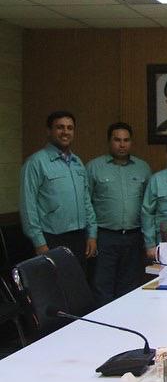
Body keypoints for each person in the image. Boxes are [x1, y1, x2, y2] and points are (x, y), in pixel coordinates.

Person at [20, 111, 97, 272]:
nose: (65, 132)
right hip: (51, 239)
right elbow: (28, 206)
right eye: (60, 127)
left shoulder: (77, 162)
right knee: (55, 285)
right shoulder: (36, 163)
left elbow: (86, 201)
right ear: (49, 131)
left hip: (79, 238)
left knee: (78, 283)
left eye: (70, 128)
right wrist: (39, 243)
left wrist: (92, 234)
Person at [86, 122, 151, 305]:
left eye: (126, 140)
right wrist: (91, 236)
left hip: (134, 237)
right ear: (109, 141)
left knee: (130, 287)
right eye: (117, 140)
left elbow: (148, 206)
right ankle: (102, 323)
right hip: (104, 237)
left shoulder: (143, 168)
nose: (122, 145)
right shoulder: (93, 167)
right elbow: (86, 203)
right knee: (102, 286)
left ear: (131, 142)